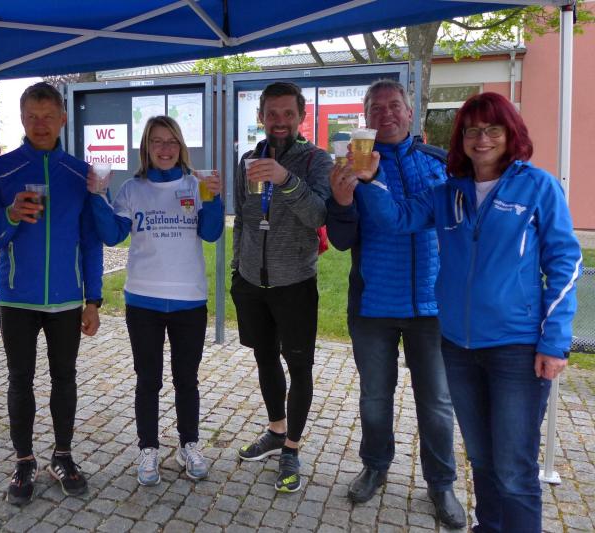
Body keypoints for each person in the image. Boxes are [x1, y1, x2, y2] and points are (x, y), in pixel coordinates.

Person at [340, 91, 581, 532]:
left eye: (493, 129)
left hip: (516, 347)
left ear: (511, 134)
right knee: (484, 461)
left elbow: (565, 262)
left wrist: (554, 340)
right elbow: (397, 219)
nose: (482, 139)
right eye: (472, 131)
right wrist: (370, 182)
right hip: (458, 345)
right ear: (461, 138)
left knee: (514, 470)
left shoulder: (537, 186)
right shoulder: (449, 191)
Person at [325, 79, 465, 527]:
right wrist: (341, 203)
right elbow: (341, 240)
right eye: (376, 108)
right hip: (374, 305)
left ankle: (441, 484)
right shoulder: (350, 166)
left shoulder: (439, 163)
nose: (386, 114)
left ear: (410, 111)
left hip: (432, 306)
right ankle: (375, 465)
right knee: (374, 397)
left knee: (437, 403)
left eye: (394, 106)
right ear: (365, 118)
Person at [0, 82, 103, 505]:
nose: (41, 125)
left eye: (49, 117)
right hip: (17, 298)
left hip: (66, 299)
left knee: (65, 378)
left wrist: (93, 300)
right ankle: (24, 460)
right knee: (20, 380)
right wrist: (11, 214)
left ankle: (62, 456)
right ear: (22, 118)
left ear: (63, 118)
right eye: (33, 117)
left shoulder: (79, 173)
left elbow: (91, 242)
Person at [88, 115, 224, 486]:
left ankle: (189, 444)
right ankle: (148, 448)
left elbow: (212, 233)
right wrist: (97, 196)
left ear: (181, 147)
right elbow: (112, 236)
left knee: (187, 380)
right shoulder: (132, 189)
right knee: (148, 380)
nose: (165, 149)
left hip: (188, 300)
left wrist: (214, 198)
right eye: (157, 142)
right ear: (146, 148)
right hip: (143, 300)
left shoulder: (196, 185)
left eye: (172, 141)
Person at [231, 81, 331, 493]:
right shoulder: (247, 160)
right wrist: (237, 270)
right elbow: (242, 219)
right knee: (265, 358)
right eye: (272, 113)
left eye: (288, 113)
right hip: (252, 283)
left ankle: (291, 447)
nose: (280, 121)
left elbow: (319, 214)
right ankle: (276, 430)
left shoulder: (316, 160)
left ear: (301, 116)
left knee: (299, 366)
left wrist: (286, 179)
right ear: (261, 116)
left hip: (295, 284)